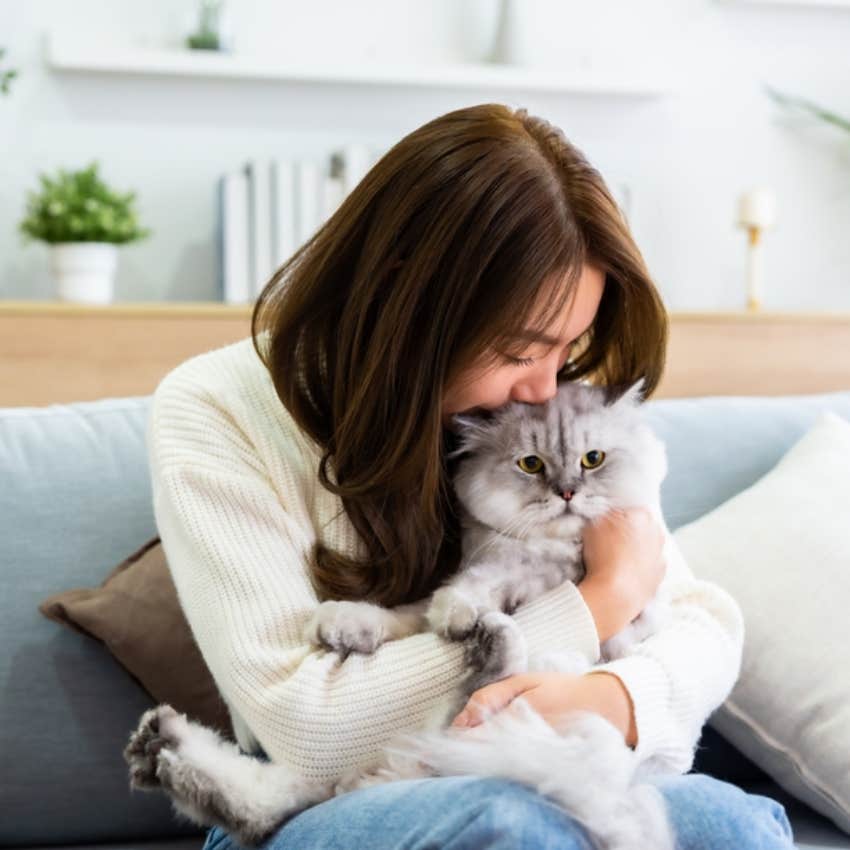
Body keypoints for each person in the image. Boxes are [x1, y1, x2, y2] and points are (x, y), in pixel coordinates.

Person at [148, 103, 795, 848]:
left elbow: (704, 627)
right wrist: (600, 599)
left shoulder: (566, 424)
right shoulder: (214, 409)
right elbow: (308, 729)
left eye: (567, 348)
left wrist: (611, 695)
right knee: (511, 828)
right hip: (322, 802)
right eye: (522, 350)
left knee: (732, 824)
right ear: (408, 297)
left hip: (549, 759)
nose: (546, 388)